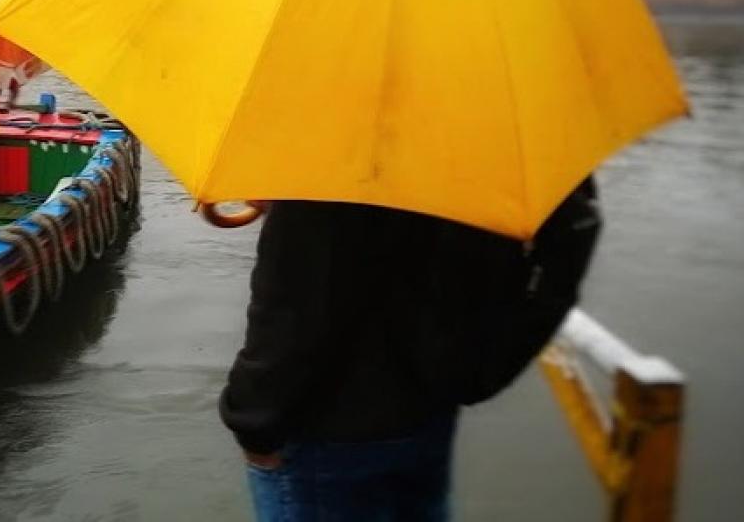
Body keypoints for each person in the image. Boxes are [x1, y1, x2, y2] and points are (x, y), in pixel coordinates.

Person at [221, 178, 603, 521]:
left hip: (323, 434)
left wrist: (253, 421)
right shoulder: (499, 129)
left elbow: (295, 307)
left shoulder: (329, 143)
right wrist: (486, 368)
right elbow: (572, 231)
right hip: (429, 409)